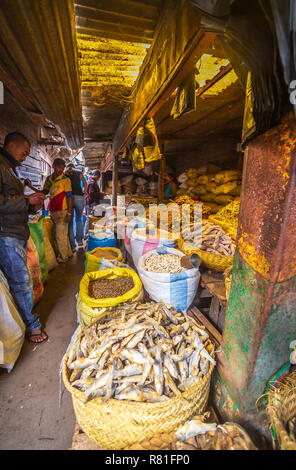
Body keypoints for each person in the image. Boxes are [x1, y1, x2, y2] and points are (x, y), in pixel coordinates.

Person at [0, 132, 48, 344]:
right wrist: (26, 200)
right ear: (11, 145)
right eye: (24, 152)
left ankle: (24, 318)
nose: (25, 157)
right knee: (21, 281)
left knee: (19, 279)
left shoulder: (9, 169)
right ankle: (32, 325)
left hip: (16, 231)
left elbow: (13, 202)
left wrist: (30, 206)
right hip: (7, 234)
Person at [43, 158, 73, 263]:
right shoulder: (48, 180)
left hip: (63, 210)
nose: (60, 170)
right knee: (62, 233)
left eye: (62, 168)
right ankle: (68, 253)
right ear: (53, 166)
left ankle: (63, 257)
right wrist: (30, 187)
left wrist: (69, 212)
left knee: (60, 235)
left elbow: (69, 197)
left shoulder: (66, 179)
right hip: (53, 210)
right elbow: (43, 193)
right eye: (58, 167)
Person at [65, 163, 87, 251]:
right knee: (79, 219)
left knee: (70, 222)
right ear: (74, 167)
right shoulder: (79, 172)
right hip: (79, 197)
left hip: (68, 198)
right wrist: (84, 192)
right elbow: (85, 184)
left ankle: (72, 245)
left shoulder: (65, 173)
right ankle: (80, 241)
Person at [84, 170, 104, 237]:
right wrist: (100, 194)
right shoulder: (92, 183)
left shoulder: (91, 181)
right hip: (91, 203)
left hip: (89, 202)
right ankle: (87, 234)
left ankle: (87, 234)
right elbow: (91, 194)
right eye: (98, 177)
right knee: (89, 218)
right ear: (95, 175)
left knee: (89, 218)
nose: (98, 178)